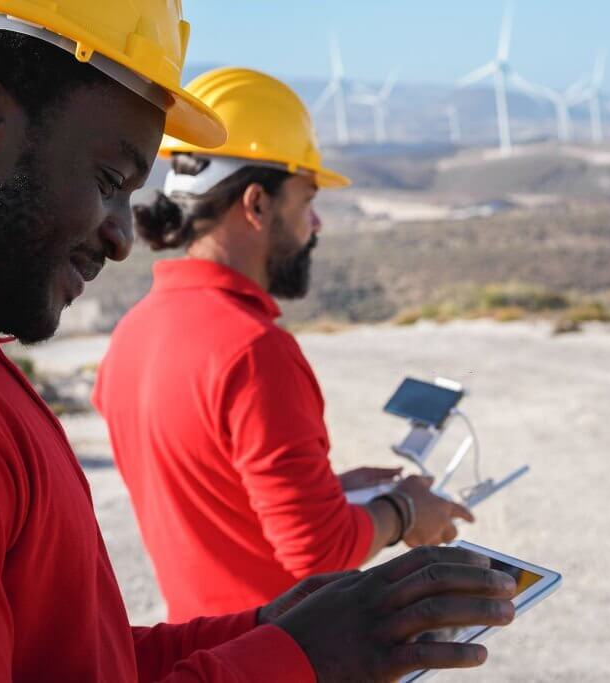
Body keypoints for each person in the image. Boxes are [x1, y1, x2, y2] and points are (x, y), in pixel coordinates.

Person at [0, 2, 516, 681]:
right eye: (106, 180)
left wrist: (271, 630)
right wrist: (305, 653)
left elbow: (77, 660)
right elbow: (312, 541)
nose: (123, 238)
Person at [93, 67, 474, 620]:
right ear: (257, 204)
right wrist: (407, 510)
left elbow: (216, 500)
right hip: (277, 654)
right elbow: (316, 552)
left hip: (202, 650)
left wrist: (331, 492)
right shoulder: (252, 351)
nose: (315, 223)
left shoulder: (135, 332)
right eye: (306, 200)